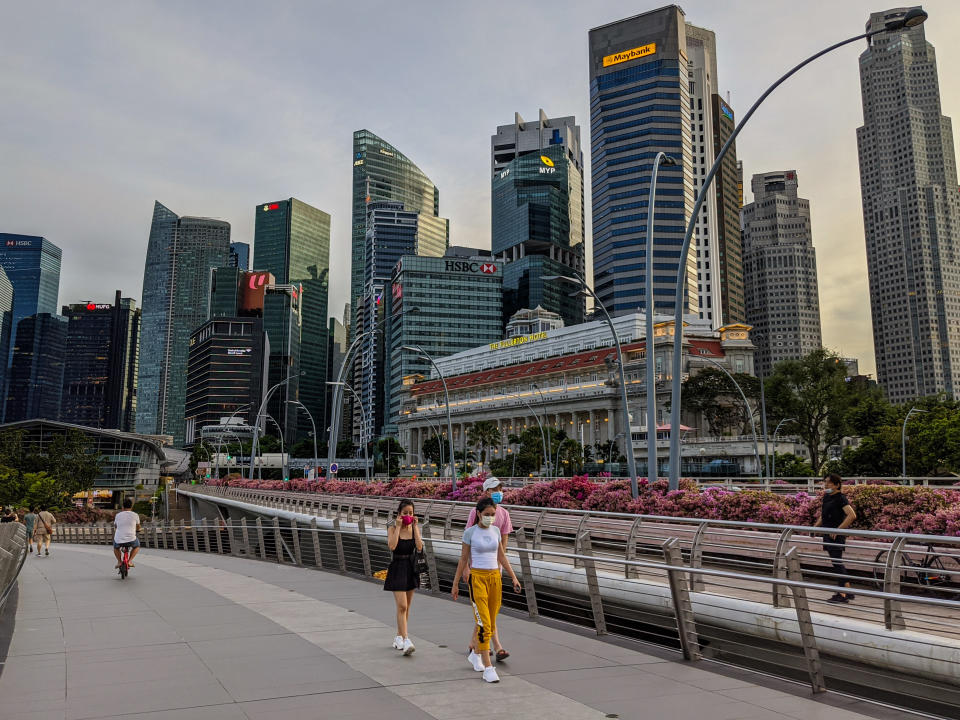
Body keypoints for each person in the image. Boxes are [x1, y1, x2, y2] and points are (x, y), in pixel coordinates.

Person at [452, 497, 522, 684]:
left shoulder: (496, 531)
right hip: (477, 579)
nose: (490, 518)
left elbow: (501, 555)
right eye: (486, 515)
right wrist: (456, 583)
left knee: (491, 620)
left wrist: (513, 577)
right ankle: (488, 667)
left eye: (493, 514)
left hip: (495, 579)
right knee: (484, 623)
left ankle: (476, 654)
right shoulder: (470, 533)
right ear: (478, 514)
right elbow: (463, 559)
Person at [465, 476, 513, 662]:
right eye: (494, 489)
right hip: (478, 569)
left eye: (500, 488)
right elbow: (469, 540)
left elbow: (504, 545)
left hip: (494, 569)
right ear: (486, 492)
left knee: (488, 611)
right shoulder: (475, 512)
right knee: (485, 611)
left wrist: (502, 568)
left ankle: (474, 643)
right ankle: (496, 646)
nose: (499, 492)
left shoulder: (504, 514)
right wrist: (466, 568)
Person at [384, 498, 423, 656]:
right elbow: (392, 546)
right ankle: (406, 639)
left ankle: (399, 637)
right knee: (402, 606)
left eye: (410, 513)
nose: (408, 515)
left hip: (411, 568)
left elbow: (419, 547)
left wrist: (415, 527)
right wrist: (399, 527)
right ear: (398, 514)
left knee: (407, 606)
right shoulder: (392, 529)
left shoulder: (414, 528)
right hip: (397, 567)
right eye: (405, 513)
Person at [814, 473, 857, 603]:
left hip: (835, 536)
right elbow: (824, 515)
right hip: (827, 533)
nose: (826, 484)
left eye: (829, 482)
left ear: (837, 485)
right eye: (825, 482)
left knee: (837, 563)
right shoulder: (827, 497)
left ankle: (842, 594)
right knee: (836, 562)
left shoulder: (840, 498)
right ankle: (848, 591)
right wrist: (814, 528)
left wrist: (838, 530)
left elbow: (851, 515)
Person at [113, 498, 142, 569]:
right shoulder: (135, 515)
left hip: (119, 539)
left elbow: (116, 526)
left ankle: (119, 562)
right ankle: (130, 561)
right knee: (137, 546)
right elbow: (138, 526)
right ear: (131, 507)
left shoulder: (118, 515)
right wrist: (138, 530)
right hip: (131, 539)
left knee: (116, 547)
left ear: (122, 507)